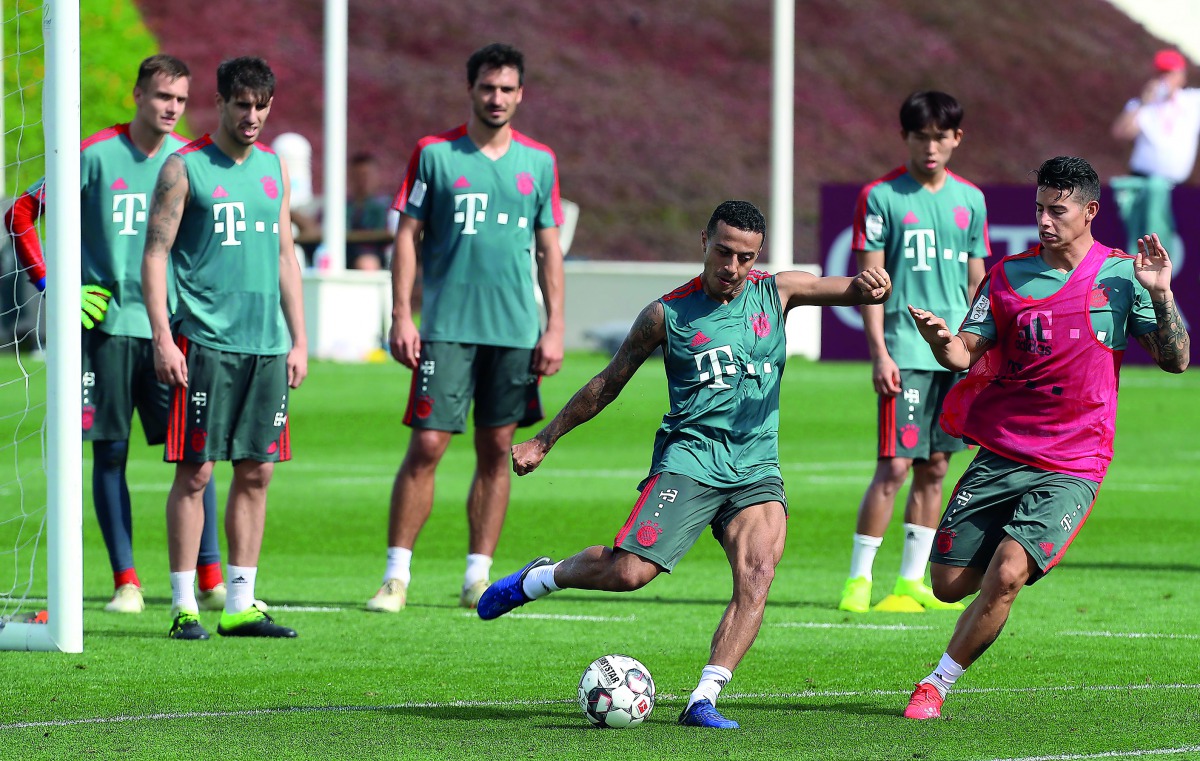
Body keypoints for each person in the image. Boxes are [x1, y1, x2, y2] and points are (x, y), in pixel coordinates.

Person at [478, 200, 894, 729]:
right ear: (704, 241)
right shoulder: (665, 314)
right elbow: (608, 384)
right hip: (689, 460)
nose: (732, 267)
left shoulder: (778, 291)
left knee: (758, 570)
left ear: (757, 256)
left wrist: (870, 285)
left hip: (755, 466)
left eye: (745, 257)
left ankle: (704, 698)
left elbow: (848, 289)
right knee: (629, 573)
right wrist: (543, 440)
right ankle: (543, 578)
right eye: (723, 251)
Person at [902, 156, 1189, 720]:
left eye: (1057, 210)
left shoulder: (1124, 275)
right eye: (1039, 209)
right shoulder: (1007, 275)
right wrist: (940, 342)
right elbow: (964, 352)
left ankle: (936, 683)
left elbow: (1175, 360)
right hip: (1003, 452)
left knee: (1006, 573)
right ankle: (1006, 570)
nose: (1044, 220)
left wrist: (1161, 294)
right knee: (947, 584)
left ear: (1090, 212)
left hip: (1076, 460)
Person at [3, 54, 226, 615]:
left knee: (194, 452)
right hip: (104, 331)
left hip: (172, 333)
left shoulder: (192, 161)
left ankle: (212, 575)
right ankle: (126, 581)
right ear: (137, 95)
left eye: (179, 98)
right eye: (161, 97)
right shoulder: (94, 155)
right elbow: (22, 213)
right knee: (110, 454)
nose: (171, 108)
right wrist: (55, 286)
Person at [366, 42, 565, 613]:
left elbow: (549, 252)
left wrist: (554, 329)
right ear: (470, 90)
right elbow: (407, 235)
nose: (496, 98)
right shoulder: (434, 154)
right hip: (447, 327)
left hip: (514, 330)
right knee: (427, 444)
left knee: (496, 445)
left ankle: (477, 576)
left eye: (507, 89)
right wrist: (402, 314)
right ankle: (395, 576)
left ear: (520, 94)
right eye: (487, 88)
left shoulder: (540, 162)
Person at [142, 56, 308, 640]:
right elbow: (156, 253)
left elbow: (287, 256)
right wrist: (163, 335)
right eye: (243, 104)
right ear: (220, 103)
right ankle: (185, 605)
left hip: (266, 345)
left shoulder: (274, 168)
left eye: (263, 106)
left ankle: (240, 604)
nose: (254, 116)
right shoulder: (183, 167)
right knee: (196, 471)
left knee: (258, 470)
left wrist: (299, 338)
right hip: (205, 341)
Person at [839, 91, 990, 614]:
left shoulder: (971, 200)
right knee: (896, 466)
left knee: (936, 468)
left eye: (939, 136)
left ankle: (909, 581)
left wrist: (979, 352)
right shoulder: (880, 197)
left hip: (952, 354)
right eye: (920, 135)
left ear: (956, 139)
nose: (930, 146)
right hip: (905, 351)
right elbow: (871, 283)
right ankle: (858, 581)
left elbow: (978, 286)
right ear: (905, 137)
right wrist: (879, 351)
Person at [1110, 48, 1200, 256]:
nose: (1165, 79)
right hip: (1143, 181)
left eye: (1170, 73)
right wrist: (1143, 103)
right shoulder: (1143, 105)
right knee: (1140, 240)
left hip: (1177, 185)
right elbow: (1121, 132)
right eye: (1161, 74)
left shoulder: (1192, 102)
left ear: (1181, 76)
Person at [342, 151, 395, 270]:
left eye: (366, 175)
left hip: (378, 257)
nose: (362, 181)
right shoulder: (340, 207)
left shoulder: (389, 207)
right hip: (343, 255)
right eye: (357, 176)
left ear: (377, 176)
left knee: (367, 263)